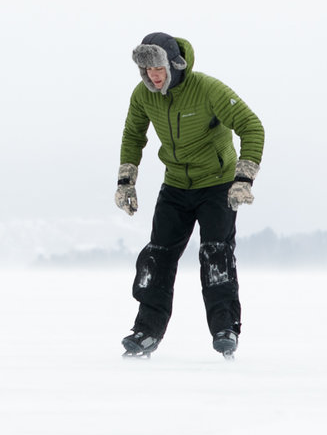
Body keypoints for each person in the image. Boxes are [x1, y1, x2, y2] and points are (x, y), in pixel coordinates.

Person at [113, 32, 265, 358]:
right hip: (175, 187)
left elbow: (252, 125)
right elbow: (132, 133)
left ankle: (225, 329)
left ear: (175, 64)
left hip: (217, 185)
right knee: (158, 257)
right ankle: (146, 332)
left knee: (216, 254)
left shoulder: (208, 89)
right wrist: (126, 180)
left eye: (158, 68)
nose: (153, 75)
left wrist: (244, 177)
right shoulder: (143, 96)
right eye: (146, 69)